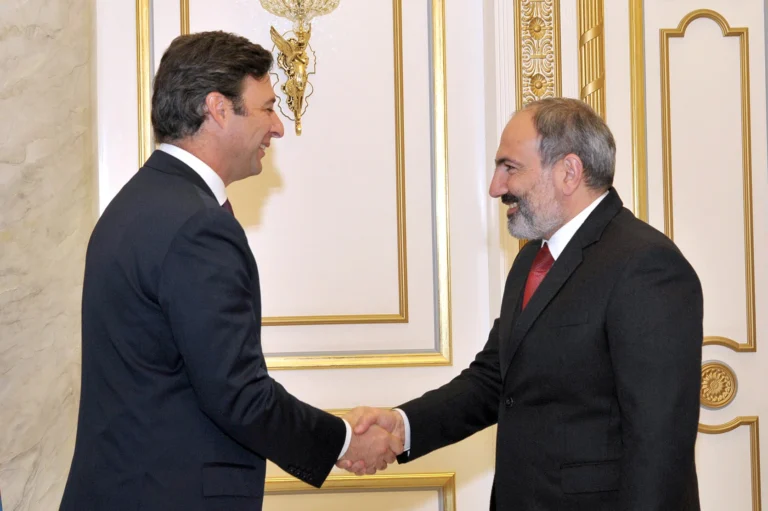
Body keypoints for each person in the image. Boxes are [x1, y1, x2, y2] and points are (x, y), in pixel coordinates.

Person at [60, 31, 400, 511]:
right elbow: (239, 395)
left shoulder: (135, 204)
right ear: (218, 108)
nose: (278, 128)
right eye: (267, 108)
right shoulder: (197, 225)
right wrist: (343, 441)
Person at [340, 98, 703, 510]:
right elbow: (494, 380)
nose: (496, 187)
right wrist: (401, 427)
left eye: (509, 168)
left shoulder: (646, 265)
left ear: (569, 172)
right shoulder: (532, 259)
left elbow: (660, 444)